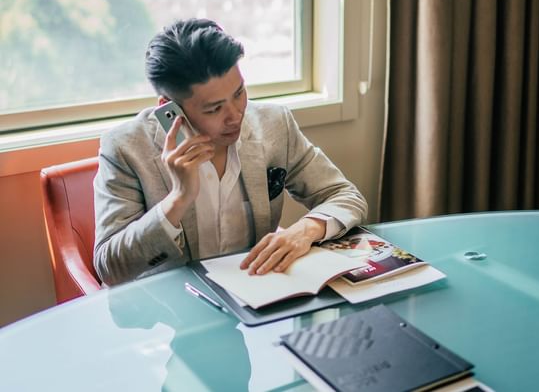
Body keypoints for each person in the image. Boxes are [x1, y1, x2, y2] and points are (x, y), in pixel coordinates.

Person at [93, 18, 367, 286]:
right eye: (214, 109)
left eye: (239, 93)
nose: (236, 115)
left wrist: (305, 229)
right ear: (169, 109)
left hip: (259, 293)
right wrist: (177, 199)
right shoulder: (124, 148)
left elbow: (345, 196)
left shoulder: (275, 125)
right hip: (171, 311)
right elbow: (109, 267)